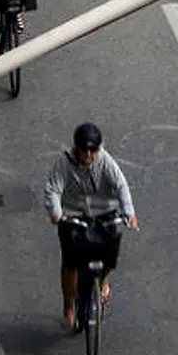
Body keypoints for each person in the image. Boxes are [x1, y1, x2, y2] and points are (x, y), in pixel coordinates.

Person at [44, 124, 137, 330]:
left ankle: (103, 281)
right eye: (84, 150)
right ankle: (69, 306)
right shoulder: (64, 163)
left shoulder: (104, 161)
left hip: (103, 213)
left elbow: (121, 185)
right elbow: (53, 188)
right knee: (70, 263)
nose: (88, 155)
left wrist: (128, 212)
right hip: (73, 215)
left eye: (92, 150)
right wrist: (56, 212)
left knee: (110, 249)